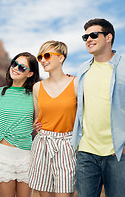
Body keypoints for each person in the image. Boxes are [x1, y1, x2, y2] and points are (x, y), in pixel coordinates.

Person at [71, 18, 125, 197]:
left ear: (108, 37)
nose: (88, 39)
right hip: (86, 153)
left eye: (94, 35)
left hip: (118, 152)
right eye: (85, 36)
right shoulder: (82, 70)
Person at [29, 41, 77, 197]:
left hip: (67, 146)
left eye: (47, 55)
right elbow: (37, 120)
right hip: (43, 145)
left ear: (61, 58)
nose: (43, 60)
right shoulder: (37, 87)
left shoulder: (76, 84)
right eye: (40, 57)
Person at [0, 52, 40, 197]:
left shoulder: (35, 95)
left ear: (30, 73)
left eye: (21, 67)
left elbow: (39, 122)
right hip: (2, 155)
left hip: (26, 156)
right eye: (14, 63)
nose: (15, 68)